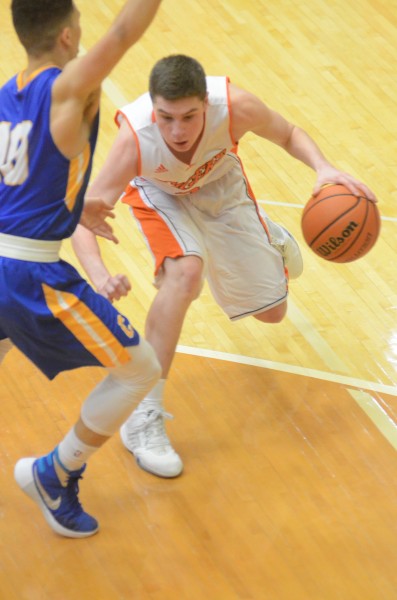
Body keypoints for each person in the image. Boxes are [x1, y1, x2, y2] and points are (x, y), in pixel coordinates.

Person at [72, 54, 377, 480]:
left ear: (207, 104)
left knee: (272, 313)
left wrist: (323, 168)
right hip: (159, 194)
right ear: (154, 110)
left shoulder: (237, 107)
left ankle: (267, 236)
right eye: (166, 117)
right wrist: (99, 275)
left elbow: (288, 133)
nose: (177, 131)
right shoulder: (136, 140)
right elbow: (80, 218)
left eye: (189, 117)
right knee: (186, 273)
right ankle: (144, 414)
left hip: (219, 182)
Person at [0, 0, 165, 538]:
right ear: (69, 37)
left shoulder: (6, 96)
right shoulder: (67, 87)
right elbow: (125, 29)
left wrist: (71, 207)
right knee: (141, 369)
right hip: (30, 275)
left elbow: (18, 183)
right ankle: (55, 472)